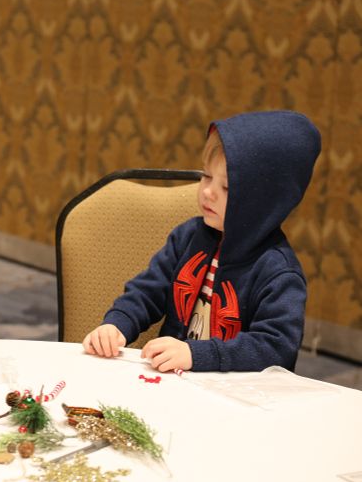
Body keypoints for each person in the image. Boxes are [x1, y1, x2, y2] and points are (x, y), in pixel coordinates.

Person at [82, 110, 321, 373]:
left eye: (226, 187)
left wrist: (198, 354)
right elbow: (147, 292)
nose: (207, 192)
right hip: (175, 383)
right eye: (206, 176)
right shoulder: (188, 237)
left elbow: (275, 347)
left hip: (236, 398)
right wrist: (117, 324)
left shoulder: (278, 271)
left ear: (264, 202)